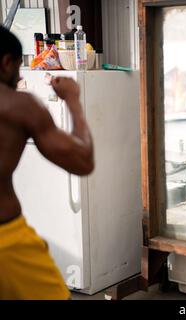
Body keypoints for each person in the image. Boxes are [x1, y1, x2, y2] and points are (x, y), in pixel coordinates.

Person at [0, 26, 94, 299]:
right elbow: (83, 161)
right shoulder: (18, 105)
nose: (19, 78)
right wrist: (73, 100)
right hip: (6, 241)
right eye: (18, 69)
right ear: (6, 62)